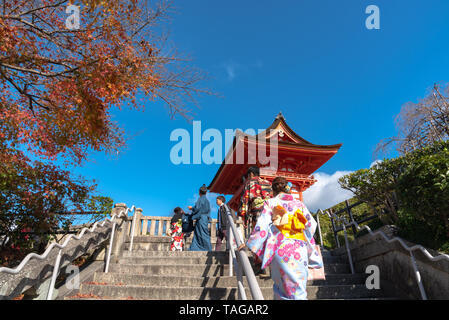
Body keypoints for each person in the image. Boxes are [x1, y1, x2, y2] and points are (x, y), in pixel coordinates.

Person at [245, 176, 323, 300]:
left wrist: (249, 244)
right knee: (299, 288)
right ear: (287, 188)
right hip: (299, 248)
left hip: (281, 247)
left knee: (282, 289)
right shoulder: (299, 204)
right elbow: (311, 225)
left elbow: (262, 226)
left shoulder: (271, 203)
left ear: (273, 191)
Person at [238, 166, 272, 236]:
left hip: (256, 211)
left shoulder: (250, 183)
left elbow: (245, 199)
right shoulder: (268, 183)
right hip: (269, 210)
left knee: (257, 233)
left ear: (251, 174)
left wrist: (243, 214)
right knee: (268, 231)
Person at [188, 184, 212, 251]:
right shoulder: (207, 200)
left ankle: (205, 248)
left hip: (201, 218)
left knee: (201, 233)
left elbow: (197, 208)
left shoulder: (200, 199)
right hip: (205, 218)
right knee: (201, 233)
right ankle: (198, 248)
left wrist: (191, 208)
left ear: (199, 192)